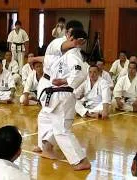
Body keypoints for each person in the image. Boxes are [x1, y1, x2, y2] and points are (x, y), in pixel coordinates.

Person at [38, 29, 91, 171]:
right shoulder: (66, 54)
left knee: (62, 130)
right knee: (58, 128)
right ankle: (47, 146)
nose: (67, 40)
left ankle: (81, 160)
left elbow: (80, 72)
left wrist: (64, 80)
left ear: (76, 41)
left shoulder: (73, 55)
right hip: (59, 95)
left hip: (63, 95)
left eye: (70, 38)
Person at [32, 20, 85, 154]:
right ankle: (44, 145)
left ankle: (46, 145)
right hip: (49, 82)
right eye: (71, 35)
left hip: (59, 86)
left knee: (51, 118)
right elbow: (63, 46)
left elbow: (78, 72)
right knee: (46, 116)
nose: (74, 39)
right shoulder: (59, 42)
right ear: (67, 33)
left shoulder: (75, 52)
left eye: (77, 36)